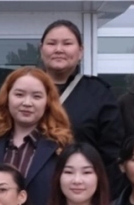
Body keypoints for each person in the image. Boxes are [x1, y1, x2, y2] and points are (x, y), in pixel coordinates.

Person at [37, 20, 122, 177]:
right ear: (41, 49)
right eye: (51, 43)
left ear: (81, 51)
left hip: (80, 183)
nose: (59, 49)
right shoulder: (25, 88)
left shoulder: (98, 93)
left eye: (67, 43)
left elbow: (111, 152)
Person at [0, 66, 73, 205]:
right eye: (19, 94)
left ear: (48, 102)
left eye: (36, 96)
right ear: (7, 98)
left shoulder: (62, 147)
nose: (27, 103)